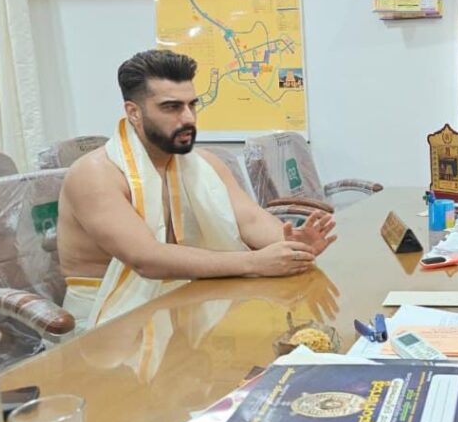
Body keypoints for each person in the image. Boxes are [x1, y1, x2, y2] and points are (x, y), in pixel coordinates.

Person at [57, 49, 336, 329]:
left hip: (187, 303)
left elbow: (249, 219)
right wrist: (255, 262)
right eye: (171, 107)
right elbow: (146, 258)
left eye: (192, 105)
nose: (188, 118)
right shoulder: (95, 174)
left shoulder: (205, 164)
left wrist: (294, 247)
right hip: (106, 321)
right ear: (134, 112)